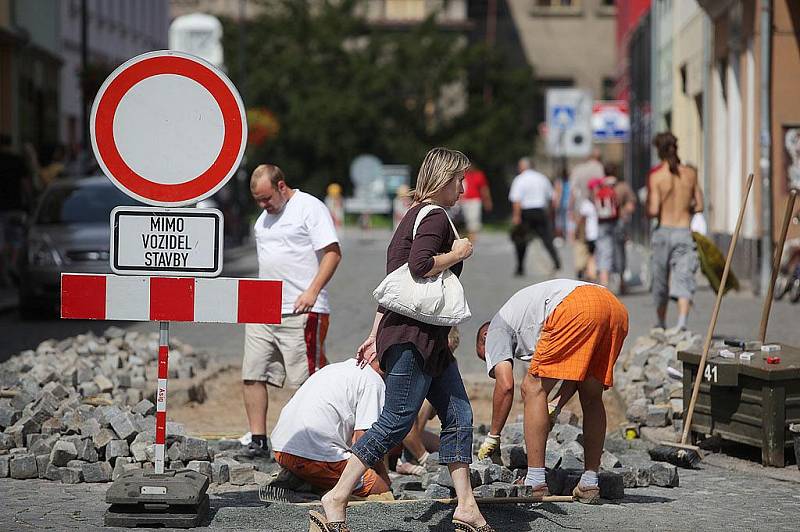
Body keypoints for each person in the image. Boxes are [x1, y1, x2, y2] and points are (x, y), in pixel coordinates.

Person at [312, 148, 494, 532]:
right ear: (444, 179)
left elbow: (393, 287)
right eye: (459, 180)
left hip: (426, 339)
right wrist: (459, 252)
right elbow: (420, 267)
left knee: (459, 415)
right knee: (396, 421)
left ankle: (466, 506)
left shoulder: (410, 217)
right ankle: (338, 495)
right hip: (416, 339)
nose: (463, 188)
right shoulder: (436, 218)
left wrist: (375, 334)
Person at [474, 279, 629, 504]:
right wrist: (556, 404)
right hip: (613, 307)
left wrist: (493, 436)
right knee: (592, 395)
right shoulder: (526, 317)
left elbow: (506, 385)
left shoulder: (496, 329)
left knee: (532, 388)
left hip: (575, 306)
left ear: (484, 339)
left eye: (485, 356)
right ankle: (589, 482)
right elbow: (577, 371)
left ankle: (535, 481)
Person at [243, 164, 342, 456]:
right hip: (264, 309)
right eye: (258, 201)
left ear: (281, 186)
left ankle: (314, 442)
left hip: (302, 310)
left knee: (306, 380)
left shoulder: (309, 208)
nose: (263, 205)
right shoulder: (263, 220)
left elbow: (333, 254)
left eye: (267, 198)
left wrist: (312, 291)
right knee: (252, 373)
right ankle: (258, 439)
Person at [271, 358, 391, 497]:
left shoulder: (335, 368)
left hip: (282, 450)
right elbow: (364, 441)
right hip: (312, 457)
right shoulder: (373, 381)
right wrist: (383, 475)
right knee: (381, 489)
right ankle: (316, 486)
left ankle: (305, 480)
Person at [647, 132, 704, 330]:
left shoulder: (656, 177)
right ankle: (681, 323)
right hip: (683, 231)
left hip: (663, 232)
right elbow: (700, 206)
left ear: (659, 151)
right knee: (684, 276)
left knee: (660, 278)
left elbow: (653, 210)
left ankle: (661, 322)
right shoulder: (690, 174)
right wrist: (685, 207)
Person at [509, 157, 560, 276]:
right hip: (540, 211)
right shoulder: (542, 178)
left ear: (522, 167)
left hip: (526, 212)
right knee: (547, 238)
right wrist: (550, 212)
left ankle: (520, 266)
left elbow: (516, 200)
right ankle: (556, 261)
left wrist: (516, 216)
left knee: (521, 240)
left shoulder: (519, 179)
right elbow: (552, 197)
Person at [593, 164, 636, 290]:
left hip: (602, 223)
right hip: (618, 223)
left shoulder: (599, 186)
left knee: (604, 251)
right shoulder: (622, 186)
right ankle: (621, 282)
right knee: (619, 252)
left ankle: (604, 283)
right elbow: (630, 206)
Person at [568, 149, 605, 278]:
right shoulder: (599, 168)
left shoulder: (578, 169)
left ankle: (580, 266)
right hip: (596, 210)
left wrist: (571, 210)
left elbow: (572, 192)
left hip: (580, 208)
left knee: (580, 240)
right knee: (594, 241)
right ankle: (592, 270)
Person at [460, 165, 493, 241]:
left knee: (473, 225)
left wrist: (487, 201)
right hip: (461, 201)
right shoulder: (462, 174)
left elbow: (484, 189)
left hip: (474, 201)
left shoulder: (478, 175)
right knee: (462, 224)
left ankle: (471, 243)